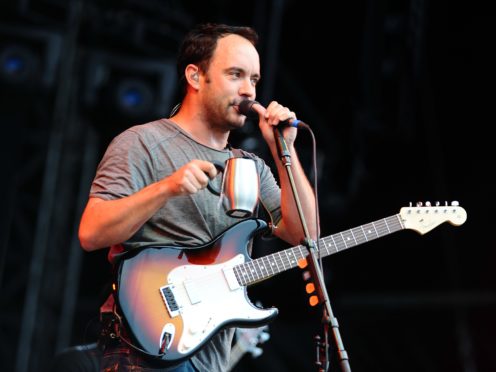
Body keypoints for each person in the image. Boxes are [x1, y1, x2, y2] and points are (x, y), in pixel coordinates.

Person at [78, 23, 317, 372]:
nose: (248, 91)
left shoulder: (251, 167)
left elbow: (305, 237)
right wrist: (167, 187)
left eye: (254, 79)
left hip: (209, 357)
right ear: (195, 76)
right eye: (236, 75)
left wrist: (284, 150)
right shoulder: (142, 143)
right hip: (142, 351)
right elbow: (91, 232)